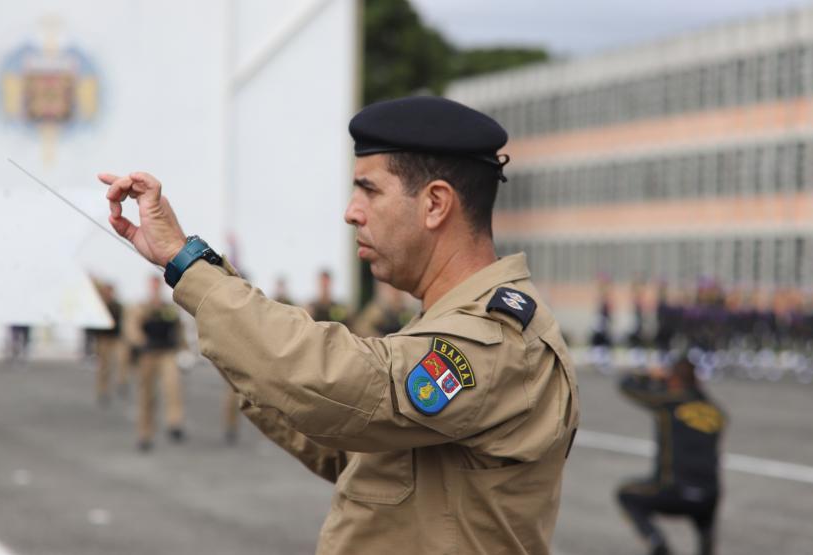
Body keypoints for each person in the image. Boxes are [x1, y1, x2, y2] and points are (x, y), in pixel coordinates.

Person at [98, 95, 579, 553]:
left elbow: (346, 386)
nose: (351, 212)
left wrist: (191, 267)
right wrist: (238, 341)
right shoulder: (447, 322)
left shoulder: (497, 337)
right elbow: (347, 447)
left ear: (435, 204)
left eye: (368, 190)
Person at [616, 357, 725, 555]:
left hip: (672, 491)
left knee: (625, 494)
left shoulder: (669, 403)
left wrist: (649, 374)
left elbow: (626, 385)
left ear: (673, 379)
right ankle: (706, 549)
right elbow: (699, 397)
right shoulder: (716, 412)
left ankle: (656, 543)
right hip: (708, 497)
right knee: (705, 514)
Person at [126, 275, 187, 452]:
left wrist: (184, 349)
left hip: (166, 352)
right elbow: (132, 329)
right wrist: (141, 341)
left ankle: (174, 423)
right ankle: (145, 434)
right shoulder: (141, 308)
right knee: (146, 395)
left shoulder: (168, 308)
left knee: (173, 388)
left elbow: (178, 328)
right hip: (148, 354)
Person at [93, 282, 128, 405]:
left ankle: (121, 382)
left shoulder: (116, 306)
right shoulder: (100, 306)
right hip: (103, 339)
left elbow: (124, 321)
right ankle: (103, 390)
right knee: (104, 366)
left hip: (116, 338)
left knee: (121, 361)